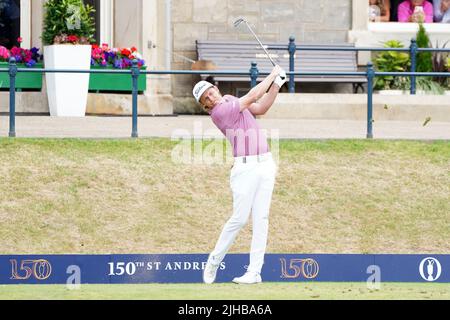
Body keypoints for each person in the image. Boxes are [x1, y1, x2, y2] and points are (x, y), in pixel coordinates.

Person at [193, 65, 286, 285]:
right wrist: (272, 74)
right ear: (204, 105)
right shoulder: (219, 113)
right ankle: (214, 260)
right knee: (240, 218)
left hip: (265, 163)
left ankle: (254, 272)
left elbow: (261, 107)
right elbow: (253, 95)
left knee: (261, 218)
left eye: (210, 91)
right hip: (245, 169)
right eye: (206, 98)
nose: (211, 97)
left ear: (215, 89)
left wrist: (277, 85)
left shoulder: (227, 98)